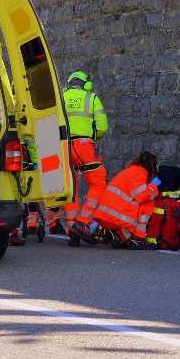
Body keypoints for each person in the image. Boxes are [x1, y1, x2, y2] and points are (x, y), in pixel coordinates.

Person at [72, 151, 160, 250]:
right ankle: (138, 239)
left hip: (106, 216)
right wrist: (153, 186)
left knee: (135, 205)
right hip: (115, 218)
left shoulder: (130, 171)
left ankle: (118, 236)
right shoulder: (139, 172)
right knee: (148, 202)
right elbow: (143, 196)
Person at [62, 71, 109, 246]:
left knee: (69, 186)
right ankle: (82, 222)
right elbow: (102, 127)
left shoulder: (61, 97)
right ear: (86, 84)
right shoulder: (92, 98)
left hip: (63, 147)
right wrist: (93, 137)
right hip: (83, 147)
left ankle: (71, 226)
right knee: (98, 182)